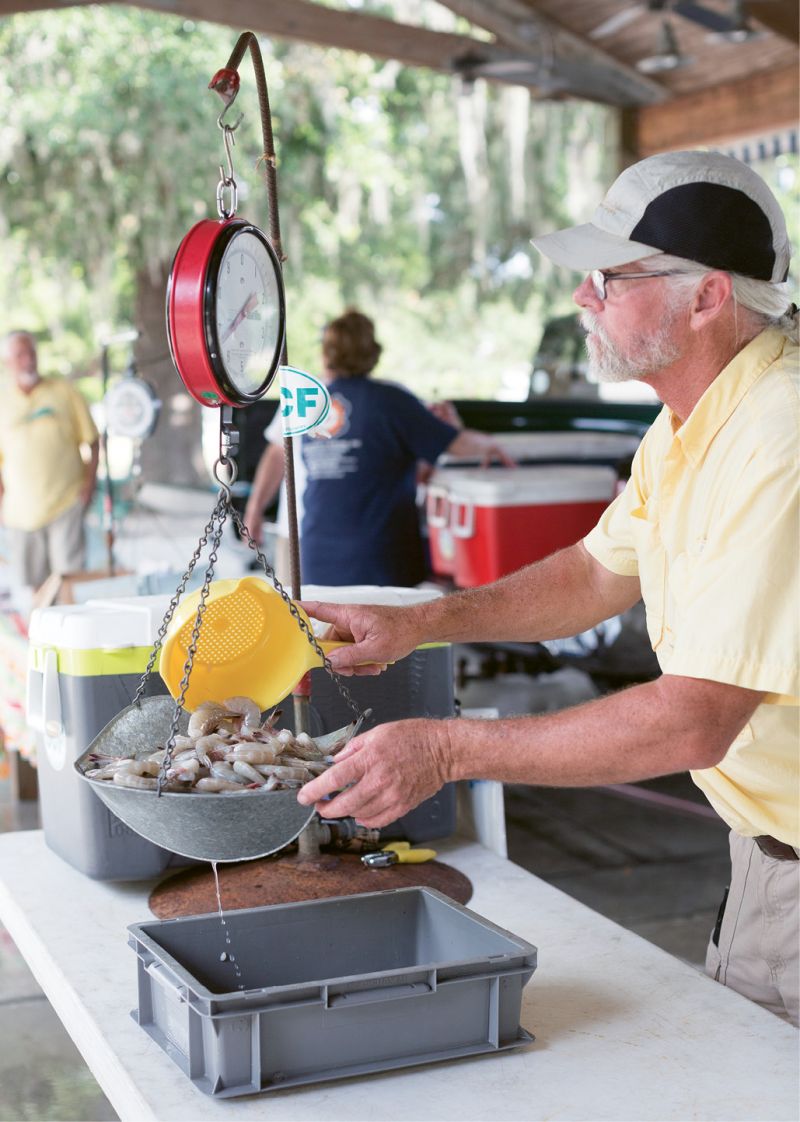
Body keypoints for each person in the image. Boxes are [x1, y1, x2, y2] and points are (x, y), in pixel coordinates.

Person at [297, 151, 800, 1025]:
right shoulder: (692, 421)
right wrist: (420, 623)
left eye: (610, 276)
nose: (582, 298)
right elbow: (593, 572)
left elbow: (693, 718)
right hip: (767, 855)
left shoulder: (779, 432)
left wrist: (449, 751)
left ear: (709, 296)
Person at [245, 309, 512, 587]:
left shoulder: (307, 399)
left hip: (317, 557)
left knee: (324, 630)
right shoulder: (393, 401)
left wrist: (254, 510)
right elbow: (456, 446)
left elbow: (278, 452)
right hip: (381, 560)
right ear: (373, 353)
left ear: (326, 354)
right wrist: (493, 446)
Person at [0, 331, 99, 589]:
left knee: (69, 583)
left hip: (65, 503)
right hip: (20, 513)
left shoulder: (64, 391)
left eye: (31, 353)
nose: (28, 360)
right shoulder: (3, 401)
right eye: (20, 355)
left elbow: (92, 440)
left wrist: (89, 486)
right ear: (7, 362)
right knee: (33, 589)